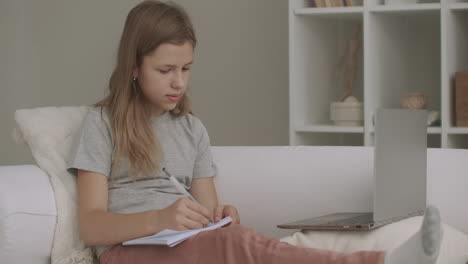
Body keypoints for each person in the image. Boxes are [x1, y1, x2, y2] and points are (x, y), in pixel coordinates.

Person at [66, 1, 443, 263]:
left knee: (237, 239)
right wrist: (161, 219)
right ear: (134, 67)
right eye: (165, 70)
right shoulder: (102, 124)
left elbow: (211, 210)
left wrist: (220, 215)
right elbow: (92, 225)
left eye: (186, 68)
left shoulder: (191, 128)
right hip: (129, 251)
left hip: (183, 245)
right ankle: (381, 262)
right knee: (241, 246)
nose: (178, 82)